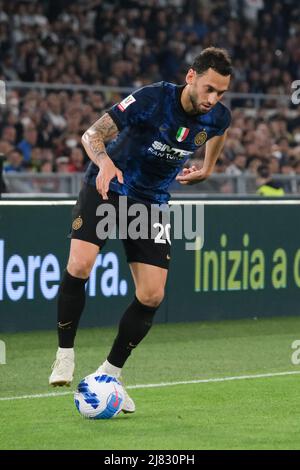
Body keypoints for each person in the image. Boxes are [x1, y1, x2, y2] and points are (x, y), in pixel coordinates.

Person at [49, 47, 232, 413]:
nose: (214, 99)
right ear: (191, 77)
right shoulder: (153, 98)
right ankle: (64, 354)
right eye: (210, 89)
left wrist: (209, 168)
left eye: (221, 93)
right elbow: (91, 135)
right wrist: (102, 163)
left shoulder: (218, 117)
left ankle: (110, 374)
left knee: (151, 295)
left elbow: (219, 133)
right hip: (108, 185)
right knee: (81, 266)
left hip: (150, 202)